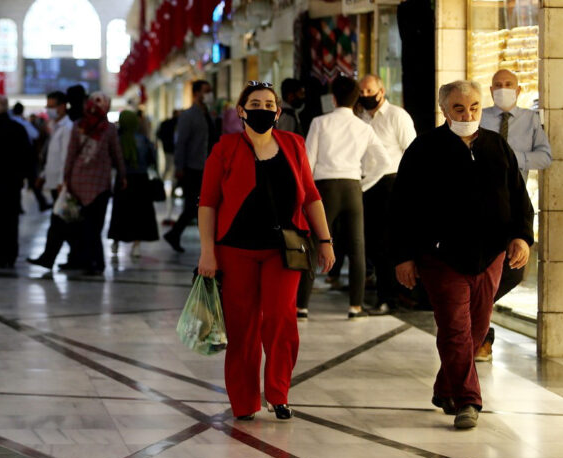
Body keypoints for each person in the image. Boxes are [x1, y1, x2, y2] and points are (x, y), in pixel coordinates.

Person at [392, 80, 533, 429]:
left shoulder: (497, 146)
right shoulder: (424, 149)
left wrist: (521, 237)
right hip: (442, 258)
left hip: (490, 257)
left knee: (478, 328)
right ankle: (468, 400)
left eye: (473, 107)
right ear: (444, 110)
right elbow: (401, 208)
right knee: (455, 329)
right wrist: (403, 256)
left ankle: (446, 387)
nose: (467, 114)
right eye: (459, 108)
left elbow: (518, 197)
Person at [197, 81, 334, 421]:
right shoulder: (224, 148)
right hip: (235, 249)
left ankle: (278, 392)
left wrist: (326, 240)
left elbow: (312, 196)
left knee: (281, 320)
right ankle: (244, 401)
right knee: (242, 327)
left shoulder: (293, 144)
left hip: (284, 249)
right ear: (241, 111)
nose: (263, 108)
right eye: (254, 103)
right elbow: (208, 204)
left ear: (278, 111)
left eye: (269, 103)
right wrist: (206, 252)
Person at [299, 76, 393, 319]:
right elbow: (384, 162)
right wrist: (364, 184)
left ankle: (302, 306)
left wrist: (305, 194)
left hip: (323, 189)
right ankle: (355, 306)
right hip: (352, 187)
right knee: (357, 247)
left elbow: (307, 162)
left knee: (312, 245)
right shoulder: (364, 127)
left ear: (333, 98)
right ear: (357, 99)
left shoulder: (320, 123)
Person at [476, 69, 553, 361]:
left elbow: (545, 156)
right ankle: (482, 337)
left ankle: (475, 311)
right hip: (486, 205)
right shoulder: (480, 118)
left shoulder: (530, 120)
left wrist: (511, 158)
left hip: (517, 203)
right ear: (491, 89)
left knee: (513, 272)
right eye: (498, 85)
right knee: (484, 269)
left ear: (518, 90)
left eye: (508, 85)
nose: (503, 89)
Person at [356, 74, 417, 315]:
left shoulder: (397, 116)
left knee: (386, 243)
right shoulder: (360, 117)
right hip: (366, 183)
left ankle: (390, 297)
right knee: (371, 244)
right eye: (361, 92)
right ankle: (384, 294)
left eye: (370, 91)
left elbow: (411, 151)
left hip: (391, 183)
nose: (365, 96)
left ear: (381, 91)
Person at [62, 92, 126, 275]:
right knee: (95, 226)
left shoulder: (78, 126)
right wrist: (122, 176)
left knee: (82, 225)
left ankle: (87, 260)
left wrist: (66, 178)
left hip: (77, 183)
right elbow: (117, 155)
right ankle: (96, 262)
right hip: (100, 185)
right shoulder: (109, 128)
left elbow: (71, 155)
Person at [0, 95, 33, 269]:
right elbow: (28, 155)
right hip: (13, 182)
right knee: (11, 220)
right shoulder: (18, 128)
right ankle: (11, 256)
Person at [163, 79, 214, 253]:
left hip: (207, 166)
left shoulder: (209, 114)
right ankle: (175, 234)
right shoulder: (188, 116)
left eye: (210, 91)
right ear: (196, 93)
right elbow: (181, 143)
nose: (209, 94)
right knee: (193, 205)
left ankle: (175, 234)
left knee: (200, 205)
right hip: (193, 167)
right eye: (205, 91)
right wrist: (179, 167)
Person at [27, 91, 74, 270]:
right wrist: (44, 176)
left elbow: (65, 158)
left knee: (58, 224)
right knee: (62, 225)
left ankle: (48, 258)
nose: (49, 110)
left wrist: (63, 181)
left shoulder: (67, 128)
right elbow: (51, 157)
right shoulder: (55, 127)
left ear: (62, 106)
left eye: (51, 106)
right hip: (53, 182)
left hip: (60, 184)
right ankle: (68, 256)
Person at [108, 110, 159, 257]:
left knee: (119, 213)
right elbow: (152, 160)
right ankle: (136, 245)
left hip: (122, 180)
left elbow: (112, 161)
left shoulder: (117, 140)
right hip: (141, 181)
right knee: (139, 214)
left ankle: (115, 242)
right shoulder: (143, 139)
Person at [156, 110, 180, 224]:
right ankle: (170, 183)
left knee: (168, 166)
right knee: (171, 166)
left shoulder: (166, 123)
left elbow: (159, 134)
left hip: (167, 148)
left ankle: (163, 182)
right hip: (172, 149)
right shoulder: (176, 123)